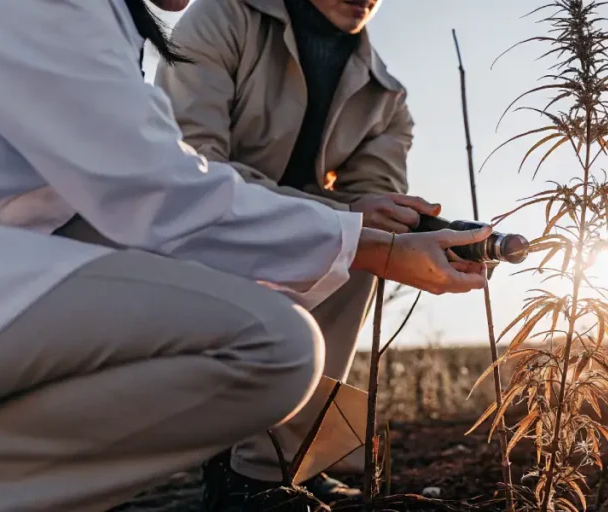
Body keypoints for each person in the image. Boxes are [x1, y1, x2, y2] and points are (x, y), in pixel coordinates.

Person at [0, 1, 486, 511]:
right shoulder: (216, 19)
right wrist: (356, 235)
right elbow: (172, 173)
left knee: (352, 250)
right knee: (287, 333)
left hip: (99, 227)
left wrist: (383, 230)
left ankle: (281, 468)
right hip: (169, 205)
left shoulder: (385, 93)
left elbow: (373, 197)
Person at [153, 0, 431, 504]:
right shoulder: (220, 18)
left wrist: (413, 229)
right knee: (345, 233)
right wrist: (336, 217)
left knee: (364, 248)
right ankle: (246, 476)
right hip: (192, 234)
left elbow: (371, 208)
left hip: (286, 248)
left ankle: (293, 466)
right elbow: (189, 165)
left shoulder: (386, 96)